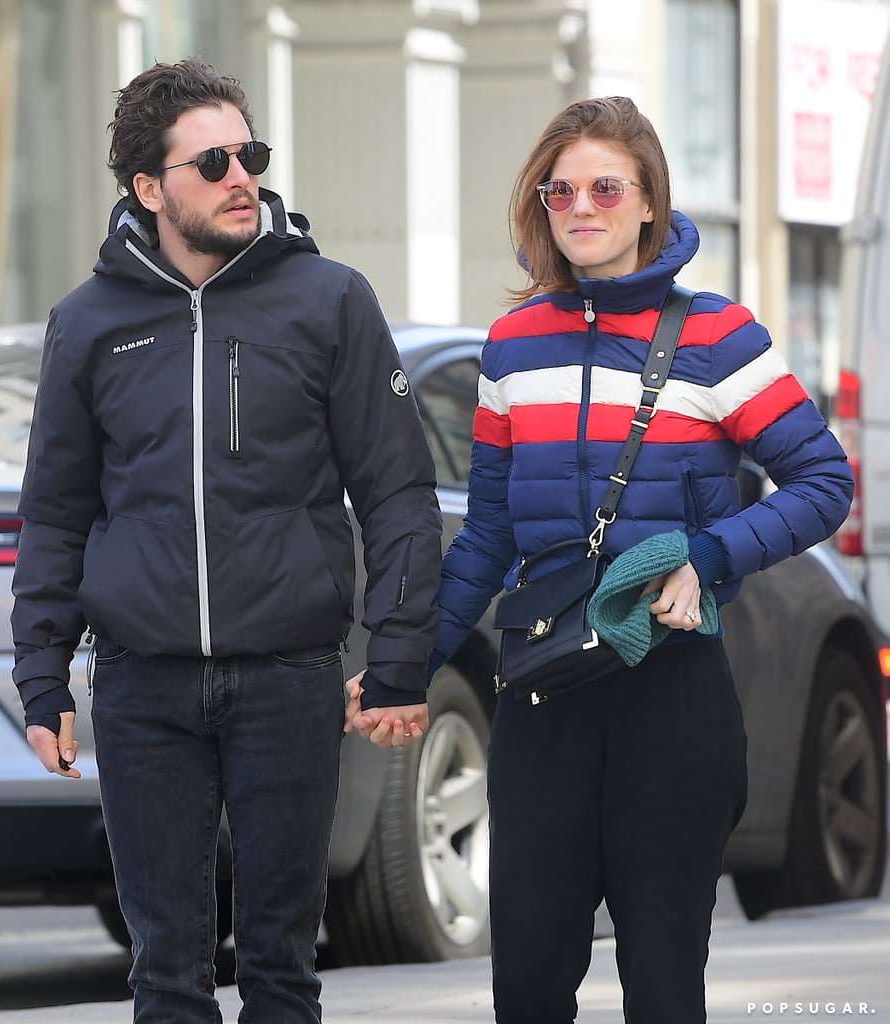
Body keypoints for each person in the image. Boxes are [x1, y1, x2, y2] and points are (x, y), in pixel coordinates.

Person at [352, 96, 854, 1023]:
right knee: (529, 988)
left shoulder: (718, 336)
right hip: (544, 703)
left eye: (604, 187)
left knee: (664, 986)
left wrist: (709, 554)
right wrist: (402, 667)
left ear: (648, 203)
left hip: (674, 698)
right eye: (559, 190)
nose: (581, 206)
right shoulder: (510, 347)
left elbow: (822, 481)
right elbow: (490, 533)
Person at [11, 57, 441, 1024]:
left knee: (283, 973)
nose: (241, 175)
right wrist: (41, 677)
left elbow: (397, 491)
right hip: (140, 683)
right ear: (150, 188)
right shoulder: (87, 324)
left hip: (291, 676)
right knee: (165, 975)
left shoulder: (330, 300)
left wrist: (403, 655)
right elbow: (56, 509)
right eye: (212, 162)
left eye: (249, 153)